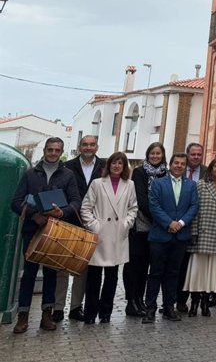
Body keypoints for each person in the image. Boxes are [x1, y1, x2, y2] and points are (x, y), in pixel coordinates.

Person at [11, 137, 81, 334]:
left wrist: (62, 212)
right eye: (50, 149)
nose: (53, 153)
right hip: (33, 231)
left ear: (61, 152)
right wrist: (34, 216)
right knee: (29, 274)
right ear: (44, 150)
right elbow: (15, 202)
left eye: (57, 150)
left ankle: (46, 315)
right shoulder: (30, 174)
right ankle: (22, 317)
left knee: (51, 274)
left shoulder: (68, 175)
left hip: (55, 231)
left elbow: (76, 202)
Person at [80, 152, 138, 324]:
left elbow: (133, 208)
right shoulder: (97, 183)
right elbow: (85, 207)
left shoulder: (130, 184)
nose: (117, 166)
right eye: (114, 163)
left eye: (120, 163)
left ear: (124, 166)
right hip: (100, 235)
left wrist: (126, 224)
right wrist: (94, 226)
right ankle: (90, 313)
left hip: (117, 236)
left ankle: (106, 313)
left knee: (112, 277)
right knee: (93, 278)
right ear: (108, 165)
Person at [142, 153, 199, 323]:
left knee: (173, 273)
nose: (179, 166)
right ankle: (150, 309)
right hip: (160, 235)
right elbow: (154, 206)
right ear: (170, 164)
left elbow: (194, 206)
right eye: (176, 163)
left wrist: (180, 223)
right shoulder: (159, 184)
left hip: (180, 236)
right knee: (155, 273)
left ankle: (169, 307)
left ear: (185, 166)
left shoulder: (191, 185)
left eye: (182, 164)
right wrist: (169, 223)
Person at [54, 134, 105, 322]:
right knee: (62, 266)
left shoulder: (104, 167)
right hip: (69, 220)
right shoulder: (67, 167)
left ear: (97, 147)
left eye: (92, 145)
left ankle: (76, 307)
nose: (88, 148)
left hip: (92, 222)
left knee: (82, 268)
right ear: (79, 147)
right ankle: (58, 307)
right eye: (85, 145)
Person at [123, 141, 168, 317]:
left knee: (149, 266)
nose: (155, 156)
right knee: (135, 265)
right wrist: (160, 219)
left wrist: (162, 220)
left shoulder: (166, 173)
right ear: (147, 155)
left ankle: (141, 300)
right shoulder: (140, 172)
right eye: (152, 153)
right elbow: (141, 199)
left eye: (158, 153)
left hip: (158, 228)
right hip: (141, 226)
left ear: (163, 155)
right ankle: (131, 301)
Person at [184, 157, 216, 318]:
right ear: (211, 168)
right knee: (198, 272)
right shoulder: (201, 185)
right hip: (203, 236)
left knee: (212, 273)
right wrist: (194, 233)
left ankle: (205, 303)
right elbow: (195, 211)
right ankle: (194, 304)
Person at [176, 142, 208, 313]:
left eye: (199, 154)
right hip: (177, 224)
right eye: (193, 154)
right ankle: (175, 300)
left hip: (199, 226)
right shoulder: (178, 170)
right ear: (187, 154)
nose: (196, 157)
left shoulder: (207, 173)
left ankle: (187, 299)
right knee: (177, 265)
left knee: (192, 266)